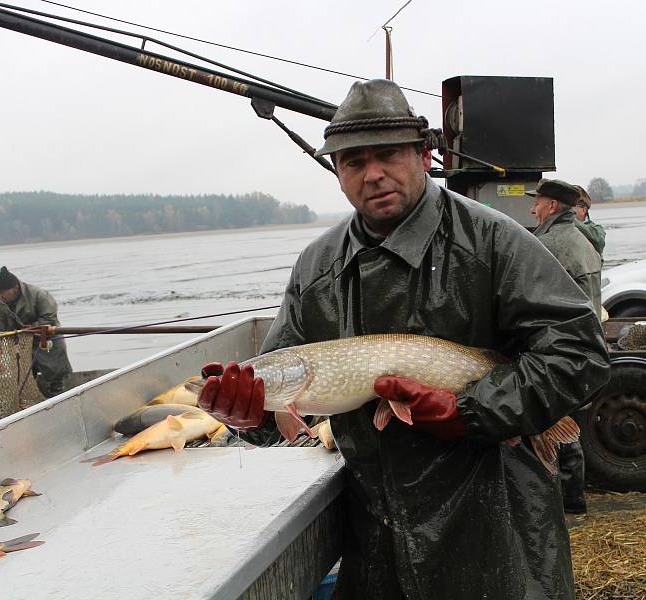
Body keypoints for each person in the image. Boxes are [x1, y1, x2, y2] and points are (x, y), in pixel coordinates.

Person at [199, 80, 610, 599]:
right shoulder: (317, 267)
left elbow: (581, 355)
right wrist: (249, 415)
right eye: (352, 162)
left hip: (498, 530)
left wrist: (469, 410)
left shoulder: (494, 242)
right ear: (338, 173)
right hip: (378, 545)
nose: (373, 174)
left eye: (388, 154)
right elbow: (284, 381)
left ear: (423, 154)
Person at [527, 179, 604, 515]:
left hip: (558, 352)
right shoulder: (583, 238)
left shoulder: (548, 244)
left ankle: (567, 502)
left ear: (553, 206)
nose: (533, 208)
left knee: (554, 423)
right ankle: (573, 498)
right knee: (565, 420)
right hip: (582, 350)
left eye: (538, 202)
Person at [0, 266, 72, 397]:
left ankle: (58, 394)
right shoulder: (1, 303)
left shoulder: (38, 294)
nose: (0, 295)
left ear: (15, 288)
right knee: (22, 380)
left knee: (55, 377)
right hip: (20, 346)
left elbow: (49, 318)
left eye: (3, 291)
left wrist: (32, 328)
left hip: (47, 341)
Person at [573, 186, 606, 257]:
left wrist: (569, 218)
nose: (567, 210)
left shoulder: (596, 229)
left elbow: (599, 241)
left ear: (583, 210)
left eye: (571, 207)